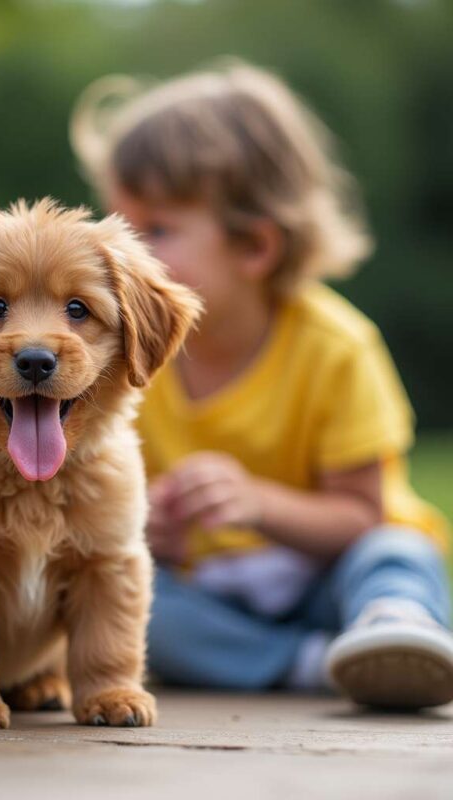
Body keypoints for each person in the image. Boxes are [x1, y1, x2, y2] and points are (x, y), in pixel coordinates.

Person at [70, 59, 453, 709]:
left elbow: (363, 515)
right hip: (210, 591)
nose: (121, 251)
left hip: (327, 580)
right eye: (114, 222)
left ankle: (396, 630)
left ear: (255, 246)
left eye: (154, 229)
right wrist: (142, 524)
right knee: (123, 597)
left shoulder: (335, 348)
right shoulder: (121, 350)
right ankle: (307, 665)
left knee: (395, 552)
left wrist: (258, 504)